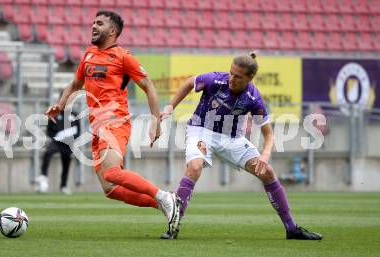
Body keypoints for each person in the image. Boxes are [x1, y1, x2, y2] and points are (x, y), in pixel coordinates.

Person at [160, 53, 323, 240]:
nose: (232, 79)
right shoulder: (215, 80)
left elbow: (269, 134)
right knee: (194, 167)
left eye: (238, 76)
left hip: (232, 139)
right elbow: (190, 82)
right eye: (231, 73)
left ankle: (291, 228)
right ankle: (174, 225)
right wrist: (170, 107)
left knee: (267, 172)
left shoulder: (253, 98)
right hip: (201, 130)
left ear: (249, 78)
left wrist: (265, 154)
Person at [45, 10, 180, 233]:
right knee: (110, 189)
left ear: (113, 31)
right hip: (96, 126)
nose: (94, 26)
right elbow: (75, 83)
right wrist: (60, 105)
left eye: (100, 23)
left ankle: (164, 196)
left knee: (112, 173)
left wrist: (156, 121)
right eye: (93, 23)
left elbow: (149, 87)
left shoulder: (124, 57)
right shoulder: (89, 55)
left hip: (115, 121)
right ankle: (165, 204)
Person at [36, 109, 80, 194]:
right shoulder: (55, 114)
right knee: (48, 152)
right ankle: (43, 175)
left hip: (68, 143)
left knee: (66, 164)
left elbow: (78, 130)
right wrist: (56, 137)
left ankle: (63, 186)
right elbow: (49, 130)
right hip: (57, 142)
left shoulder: (74, 114)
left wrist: (72, 139)